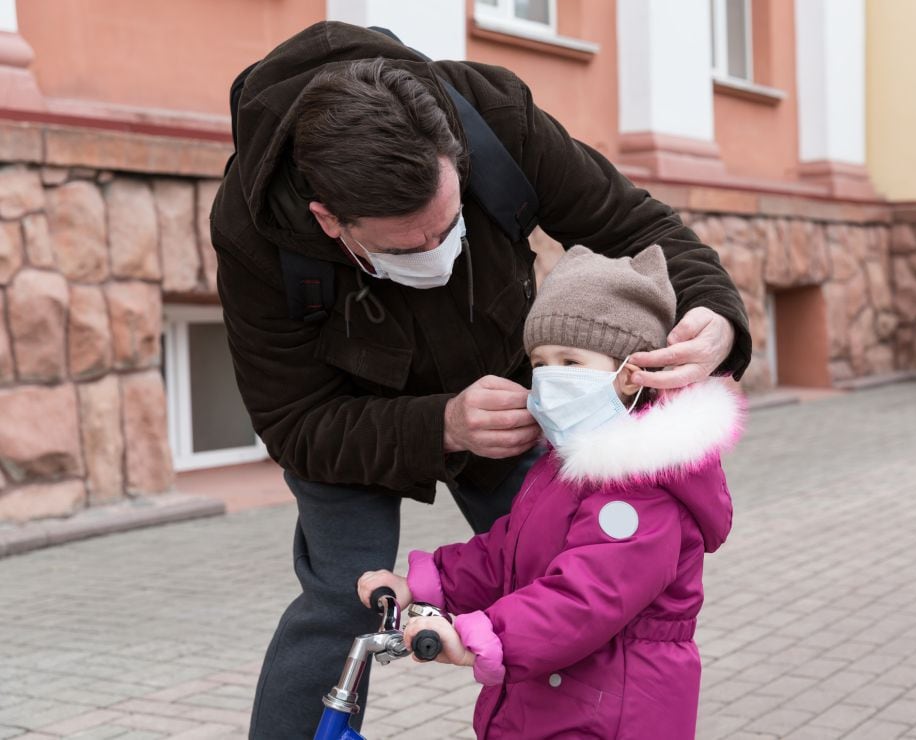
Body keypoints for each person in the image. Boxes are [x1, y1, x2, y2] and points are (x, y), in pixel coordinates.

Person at [210, 21, 751, 738]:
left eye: (450, 223)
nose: (439, 252)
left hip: (515, 395)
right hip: (352, 422)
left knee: (561, 572)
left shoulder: (492, 119)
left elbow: (633, 225)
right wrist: (439, 426)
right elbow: (294, 422)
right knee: (347, 603)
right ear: (329, 221)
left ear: (454, 159)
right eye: (410, 245)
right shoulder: (252, 230)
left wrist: (715, 312)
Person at [359, 245, 742, 739]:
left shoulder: (642, 491)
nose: (548, 378)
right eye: (540, 362)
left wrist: (486, 634)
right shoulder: (568, 465)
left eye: (570, 360)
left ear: (629, 375)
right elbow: (508, 553)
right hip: (554, 702)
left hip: (610, 715)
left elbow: (585, 598)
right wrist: (428, 582)